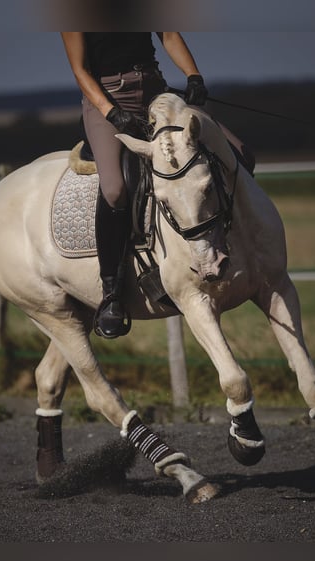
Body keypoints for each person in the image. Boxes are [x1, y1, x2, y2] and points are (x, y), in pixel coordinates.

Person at [61, 32, 209, 339]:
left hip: (155, 93)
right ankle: (112, 294)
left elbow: (168, 34)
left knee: (233, 151)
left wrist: (193, 76)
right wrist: (112, 113)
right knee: (115, 189)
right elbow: (80, 71)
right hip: (107, 100)